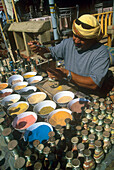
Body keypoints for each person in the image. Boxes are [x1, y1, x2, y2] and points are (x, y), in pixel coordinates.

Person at [28, 14, 113, 96]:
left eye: (82, 38)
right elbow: (51, 53)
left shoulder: (101, 53)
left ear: (93, 39)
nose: (76, 41)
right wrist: (40, 49)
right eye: (75, 35)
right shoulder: (68, 43)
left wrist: (67, 74)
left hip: (90, 94)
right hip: (71, 88)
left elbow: (94, 84)